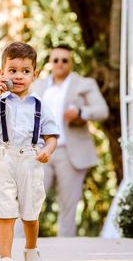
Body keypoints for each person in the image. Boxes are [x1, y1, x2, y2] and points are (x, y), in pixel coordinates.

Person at [0, 42, 59, 261]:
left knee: (30, 211)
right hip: (3, 158)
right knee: (5, 211)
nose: (19, 76)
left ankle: (31, 248)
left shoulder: (40, 105)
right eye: (12, 70)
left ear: (34, 74)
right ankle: (5, 260)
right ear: (2, 73)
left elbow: (51, 136)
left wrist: (48, 150)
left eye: (25, 71)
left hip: (30, 159)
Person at [30, 44, 108, 237]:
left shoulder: (84, 84)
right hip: (39, 150)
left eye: (65, 60)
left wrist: (81, 113)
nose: (60, 64)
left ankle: (65, 251)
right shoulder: (37, 85)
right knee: (30, 200)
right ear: (50, 62)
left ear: (71, 63)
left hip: (68, 152)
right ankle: (18, 246)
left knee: (68, 206)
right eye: (56, 60)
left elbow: (102, 111)